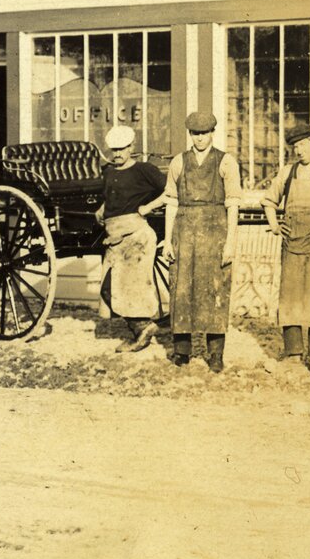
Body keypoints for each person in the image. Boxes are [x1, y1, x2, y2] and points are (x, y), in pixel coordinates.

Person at [246, 123, 310, 372]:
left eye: (303, 144)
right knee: (290, 299)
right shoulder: (287, 173)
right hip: (291, 243)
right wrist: (275, 226)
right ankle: (293, 354)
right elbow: (269, 202)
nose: (299, 150)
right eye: (295, 146)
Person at [161, 111, 241, 371]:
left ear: (212, 133)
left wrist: (230, 242)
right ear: (190, 135)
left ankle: (215, 354)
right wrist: (167, 241)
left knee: (215, 290)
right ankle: (181, 351)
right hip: (184, 232)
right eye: (195, 134)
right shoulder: (179, 162)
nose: (200, 139)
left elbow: (233, 204)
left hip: (215, 232)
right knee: (181, 289)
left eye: (204, 133)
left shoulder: (226, 162)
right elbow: (171, 202)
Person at [97, 124, 169, 353]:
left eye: (122, 149)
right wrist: (103, 208)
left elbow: (171, 191)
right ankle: (142, 327)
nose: (117, 154)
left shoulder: (144, 170)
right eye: (114, 149)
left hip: (137, 237)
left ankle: (142, 329)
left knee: (126, 286)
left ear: (131, 147)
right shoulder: (108, 172)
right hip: (115, 237)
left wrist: (149, 207)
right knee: (109, 288)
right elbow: (113, 196)